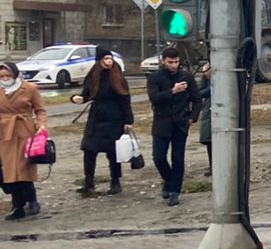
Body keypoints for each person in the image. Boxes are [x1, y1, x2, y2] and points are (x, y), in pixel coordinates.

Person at [70, 48, 134, 196]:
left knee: (113, 152)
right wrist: (76, 99)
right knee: (89, 149)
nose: (109, 61)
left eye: (110, 58)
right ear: (99, 60)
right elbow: (86, 94)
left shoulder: (118, 77)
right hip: (96, 116)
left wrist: (128, 120)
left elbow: (125, 99)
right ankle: (89, 182)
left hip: (114, 117)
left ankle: (115, 181)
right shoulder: (93, 75)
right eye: (106, 58)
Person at [147, 45, 201, 207]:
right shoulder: (155, 77)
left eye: (176, 62)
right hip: (162, 122)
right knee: (158, 157)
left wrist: (192, 117)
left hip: (180, 123)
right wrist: (173, 91)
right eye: (170, 62)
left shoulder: (186, 76)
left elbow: (197, 99)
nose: (173, 65)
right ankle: (169, 180)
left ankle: (174, 191)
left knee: (178, 158)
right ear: (163, 61)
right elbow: (154, 98)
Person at [0, 60, 48, 221]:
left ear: (15, 74)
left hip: (25, 130)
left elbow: (40, 110)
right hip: (5, 133)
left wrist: (41, 125)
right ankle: (17, 206)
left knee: (24, 167)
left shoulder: (29, 88)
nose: (5, 78)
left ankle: (32, 200)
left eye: (8, 75)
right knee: (10, 170)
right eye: (2, 76)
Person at [197, 62, 213, 177]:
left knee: (211, 140)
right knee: (208, 139)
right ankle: (212, 164)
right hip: (208, 111)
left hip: (213, 110)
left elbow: (208, 90)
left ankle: (214, 165)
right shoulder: (206, 76)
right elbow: (203, 89)